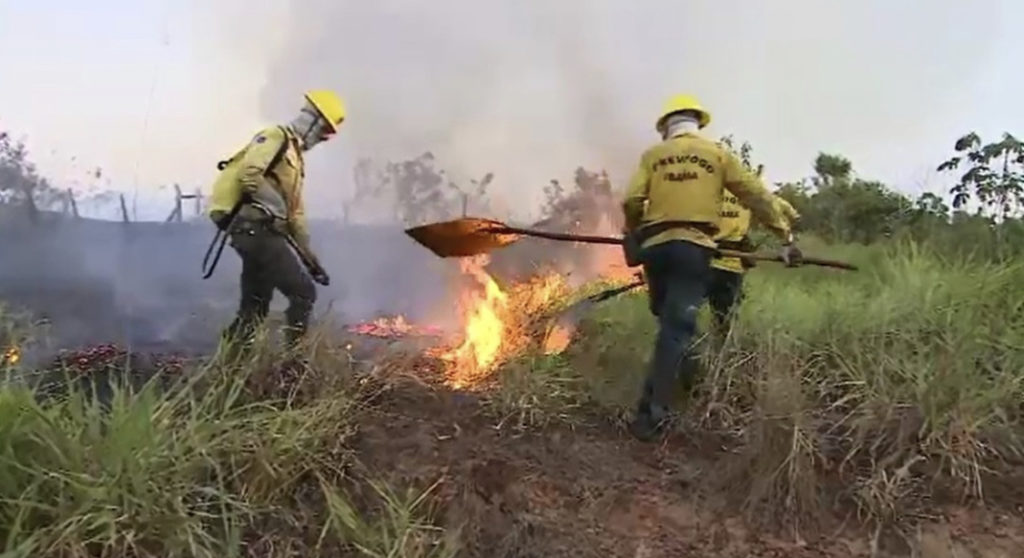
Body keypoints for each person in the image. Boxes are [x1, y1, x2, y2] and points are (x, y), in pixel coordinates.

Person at [621, 93, 801, 441]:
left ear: (666, 128)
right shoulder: (717, 155)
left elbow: (630, 200)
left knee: (669, 323)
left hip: (655, 249)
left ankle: (688, 380)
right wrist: (785, 237)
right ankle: (651, 417)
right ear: (697, 123)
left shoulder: (653, 156)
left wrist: (634, 230)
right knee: (677, 329)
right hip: (693, 249)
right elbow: (757, 196)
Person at [206, 89, 346, 353]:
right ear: (313, 119)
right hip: (253, 228)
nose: (323, 139)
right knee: (303, 293)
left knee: (256, 304)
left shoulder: (295, 160)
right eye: (325, 131)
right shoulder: (275, 136)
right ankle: (293, 364)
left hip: (257, 232)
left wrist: (312, 262)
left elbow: (295, 217)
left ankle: (230, 362)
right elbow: (250, 173)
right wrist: (276, 207)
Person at [707, 174, 801, 334]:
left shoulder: (705, 189)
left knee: (686, 310)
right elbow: (790, 214)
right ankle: (720, 351)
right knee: (725, 316)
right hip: (731, 263)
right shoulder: (749, 193)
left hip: (698, 257)